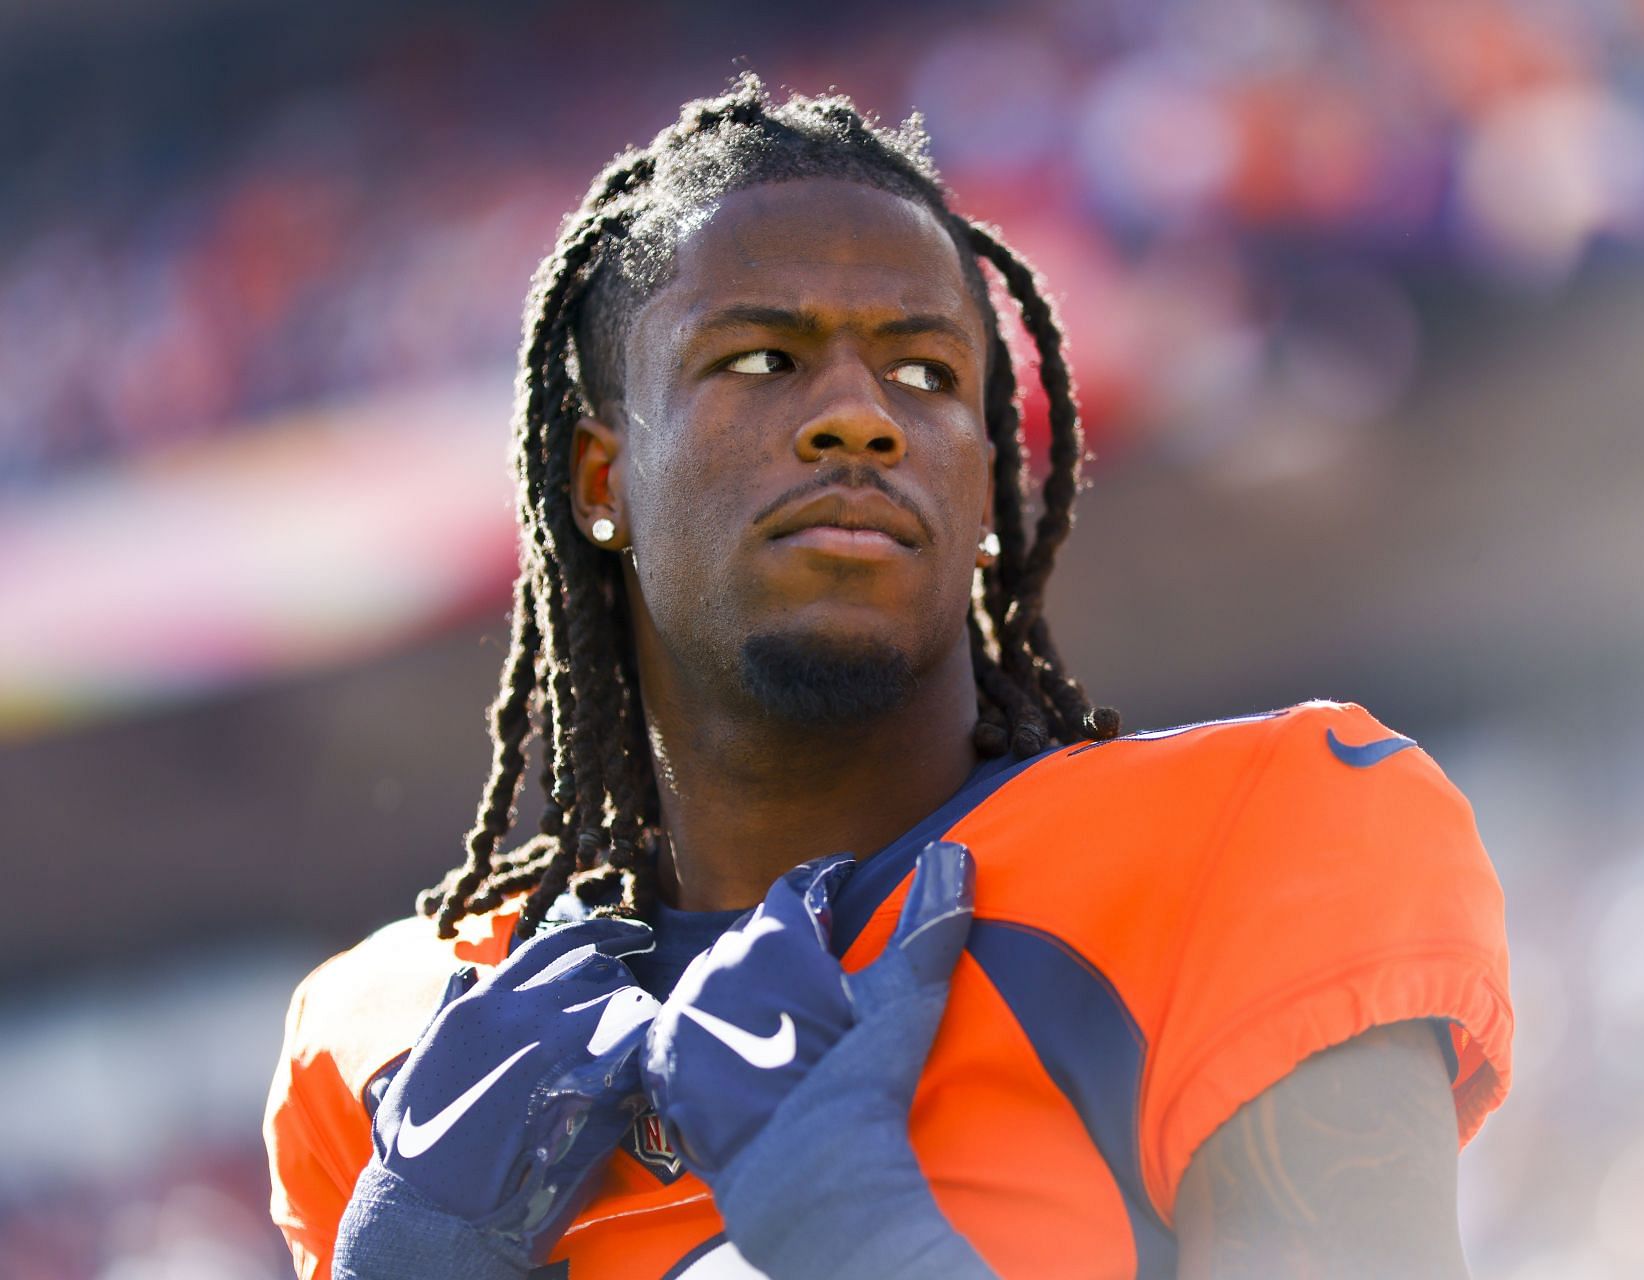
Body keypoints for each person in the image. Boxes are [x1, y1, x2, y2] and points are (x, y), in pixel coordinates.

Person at [265, 76, 1512, 1279]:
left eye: (926, 373)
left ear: (983, 484)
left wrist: (853, 1229)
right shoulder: (395, 1041)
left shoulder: (1254, 841)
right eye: (759, 359)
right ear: (601, 481)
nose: (859, 416)